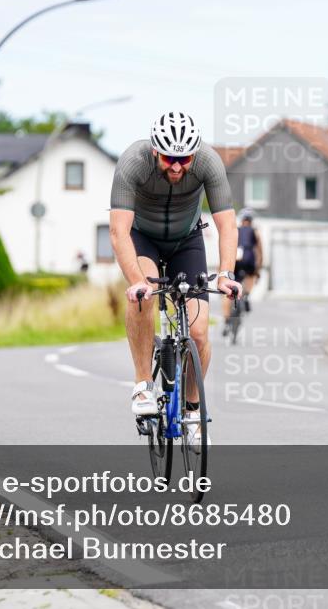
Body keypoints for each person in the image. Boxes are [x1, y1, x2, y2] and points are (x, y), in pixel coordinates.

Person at [109, 111, 241, 446]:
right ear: (155, 151)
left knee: (198, 333)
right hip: (143, 239)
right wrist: (137, 280)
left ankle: (193, 410)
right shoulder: (132, 163)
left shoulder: (209, 162)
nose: (178, 166)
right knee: (144, 295)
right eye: (170, 158)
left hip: (187, 241)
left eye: (184, 158)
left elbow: (227, 223)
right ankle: (142, 385)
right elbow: (118, 231)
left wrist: (226, 273)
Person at [222, 208, 262, 326]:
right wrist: (258, 270)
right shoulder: (255, 232)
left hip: (236, 260)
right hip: (249, 259)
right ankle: (246, 295)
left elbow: (227, 248)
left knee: (228, 289)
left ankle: (226, 318)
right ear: (251, 221)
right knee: (251, 275)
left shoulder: (236, 231)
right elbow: (259, 252)